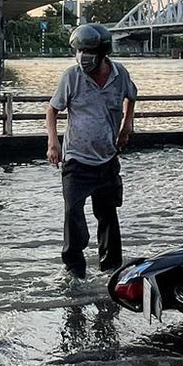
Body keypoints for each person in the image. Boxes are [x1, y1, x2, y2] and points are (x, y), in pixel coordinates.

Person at [47, 22, 137, 277]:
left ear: (102, 53)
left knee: (108, 215)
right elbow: (52, 110)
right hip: (76, 159)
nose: (83, 57)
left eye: (89, 52)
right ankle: (74, 269)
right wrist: (53, 142)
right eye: (79, 51)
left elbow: (132, 97)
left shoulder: (120, 75)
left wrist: (126, 127)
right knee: (72, 212)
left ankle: (111, 269)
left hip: (107, 158)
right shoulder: (72, 77)